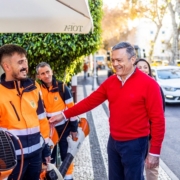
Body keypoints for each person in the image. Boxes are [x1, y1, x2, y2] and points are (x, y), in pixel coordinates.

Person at [49, 42, 165, 180]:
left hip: (136, 144)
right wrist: (63, 115)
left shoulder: (149, 84)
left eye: (119, 60)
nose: (115, 64)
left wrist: (154, 152)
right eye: (113, 60)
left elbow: (158, 120)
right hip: (114, 142)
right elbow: (90, 101)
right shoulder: (111, 82)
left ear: (133, 59)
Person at [0, 44, 51, 180]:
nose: (25, 66)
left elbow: (42, 120)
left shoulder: (34, 87)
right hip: (11, 161)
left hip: (36, 156)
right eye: (20, 62)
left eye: (26, 61)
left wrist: (45, 148)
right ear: (7, 67)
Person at [36, 62, 78, 180]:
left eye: (47, 72)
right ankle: (52, 177)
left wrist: (74, 128)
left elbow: (72, 109)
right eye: (42, 73)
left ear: (52, 71)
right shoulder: (38, 90)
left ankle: (68, 178)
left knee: (67, 155)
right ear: (39, 76)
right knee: (49, 157)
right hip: (49, 129)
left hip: (65, 127)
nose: (46, 75)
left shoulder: (63, 87)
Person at [134, 58, 165, 180]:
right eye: (139, 67)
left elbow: (159, 116)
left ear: (149, 70)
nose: (142, 69)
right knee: (135, 169)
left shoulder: (155, 87)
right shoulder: (129, 87)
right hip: (134, 137)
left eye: (145, 67)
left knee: (151, 169)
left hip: (149, 136)